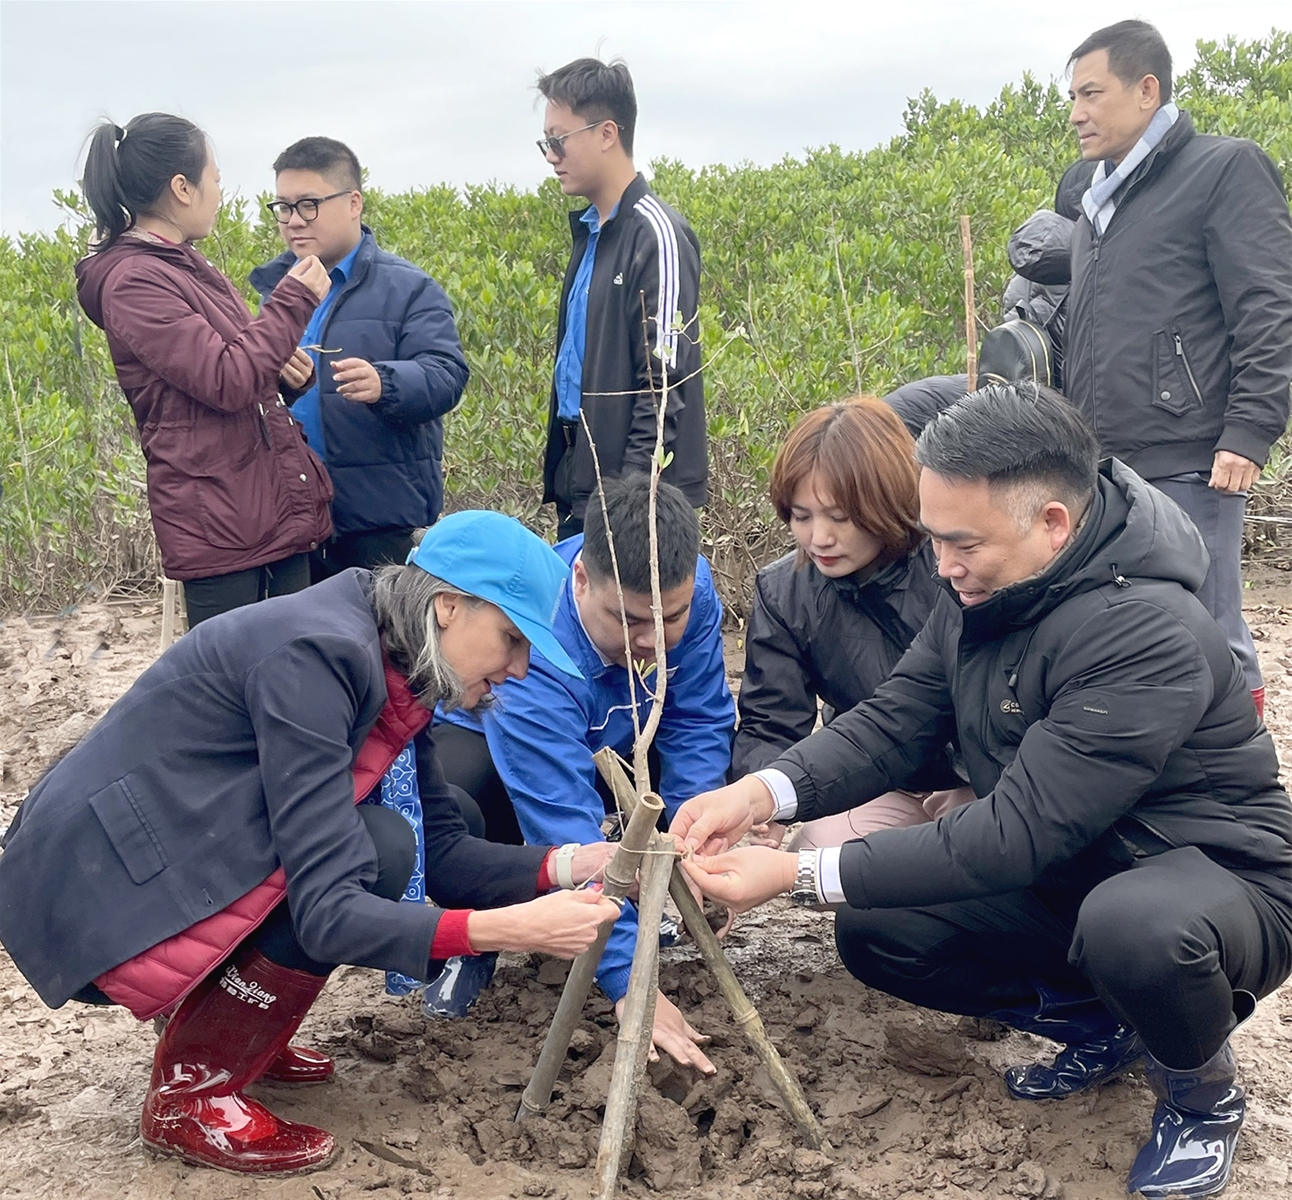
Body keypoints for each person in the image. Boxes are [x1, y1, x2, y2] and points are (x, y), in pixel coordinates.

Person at [674, 386, 1292, 1200]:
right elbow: (891, 722)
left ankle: (1200, 1096)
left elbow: (1015, 834)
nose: (941, 565)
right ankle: (1109, 1029)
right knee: (879, 928)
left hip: (1211, 881)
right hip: (1076, 872)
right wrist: (760, 794)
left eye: (962, 543)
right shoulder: (983, 593)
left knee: (1135, 928)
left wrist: (795, 876)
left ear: (1052, 524)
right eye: (934, 538)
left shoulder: (1143, 631)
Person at [0, 511, 621, 1176]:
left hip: (162, 855)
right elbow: (327, 913)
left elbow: (439, 849)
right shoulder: (317, 657)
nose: (519, 669)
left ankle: (226, 1023)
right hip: (98, 897)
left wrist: (577, 863)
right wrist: (511, 929)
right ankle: (193, 1095)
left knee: (397, 840)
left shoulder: (393, 656)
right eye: (511, 640)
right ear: (447, 607)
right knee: (375, 853)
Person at [436, 476, 731, 1071]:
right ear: (579, 581)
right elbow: (557, 813)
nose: (650, 640)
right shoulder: (534, 647)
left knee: (667, 764)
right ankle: (483, 930)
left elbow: (698, 720)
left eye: (668, 619)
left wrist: (691, 839)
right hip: (499, 756)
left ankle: (620, 910)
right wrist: (628, 981)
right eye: (628, 620)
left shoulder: (688, 593)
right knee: (464, 791)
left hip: (615, 747)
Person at [1060, 19, 1292, 719]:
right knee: (1123, 629)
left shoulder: (1223, 169)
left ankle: (1246, 769)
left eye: (1091, 93)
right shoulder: (1094, 201)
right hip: (1102, 460)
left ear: (1147, 90)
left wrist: (1249, 429)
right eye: (1072, 97)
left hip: (1192, 455)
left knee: (1210, 627)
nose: (1076, 114)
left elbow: (1268, 305)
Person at [75, 113, 334, 626]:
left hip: (260, 512)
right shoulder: (135, 282)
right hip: (221, 526)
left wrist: (283, 377)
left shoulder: (185, 266)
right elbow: (226, 380)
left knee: (293, 664)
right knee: (236, 672)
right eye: (214, 179)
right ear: (182, 188)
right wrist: (295, 300)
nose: (219, 193)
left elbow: (233, 373)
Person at [733, 397, 970, 848]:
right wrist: (765, 801)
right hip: (882, 780)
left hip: (977, 780)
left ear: (886, 501)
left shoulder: (953, 567)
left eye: (840, 518)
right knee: (811, 855)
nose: (819, 538)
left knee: (973, 857)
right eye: (801, 516)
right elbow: (771, 722)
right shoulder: (785, 592)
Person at [251, 137, 469, 579]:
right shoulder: (276, 292)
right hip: (294, 521)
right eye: (284, 207)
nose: (294, 221)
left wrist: (385, 383)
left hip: (380, 520)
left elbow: (447, 374)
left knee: (382, 626)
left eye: (309, 204)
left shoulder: (410, 288)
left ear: (354, 203)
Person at [537, 58, 707, 539]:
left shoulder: (656, 234)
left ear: (607, 133)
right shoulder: (593, 233)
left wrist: (631, 501)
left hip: (635, 501)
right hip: (582, 483)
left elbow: (664, 385)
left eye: (558, 139)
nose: (551, 156)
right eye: (545, 143)